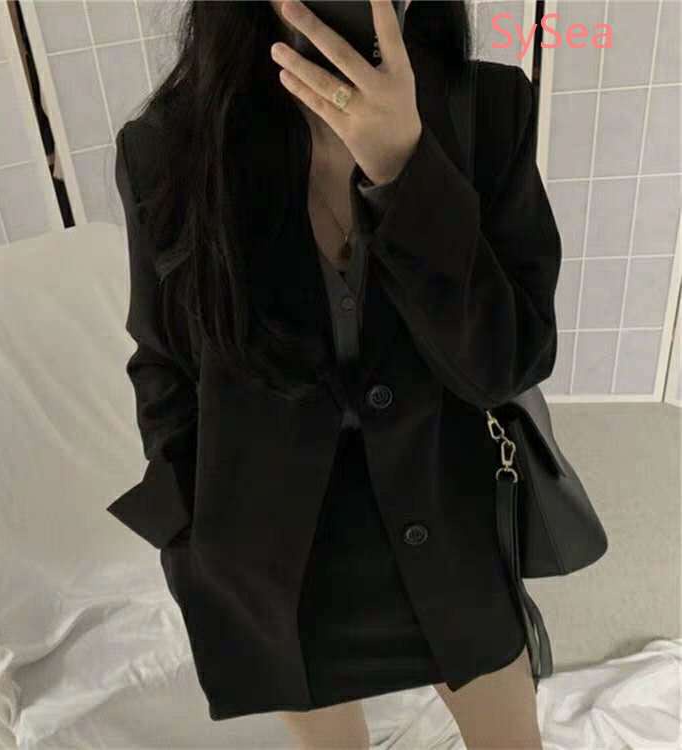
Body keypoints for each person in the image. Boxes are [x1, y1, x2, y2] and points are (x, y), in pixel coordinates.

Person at [110, 1, 559, 747]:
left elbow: (511, 362)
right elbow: (162, 362)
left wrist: (406, 171)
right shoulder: (169, 149)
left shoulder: (487, 110)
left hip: (448, 516)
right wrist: (191, 526)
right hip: (274, 554)